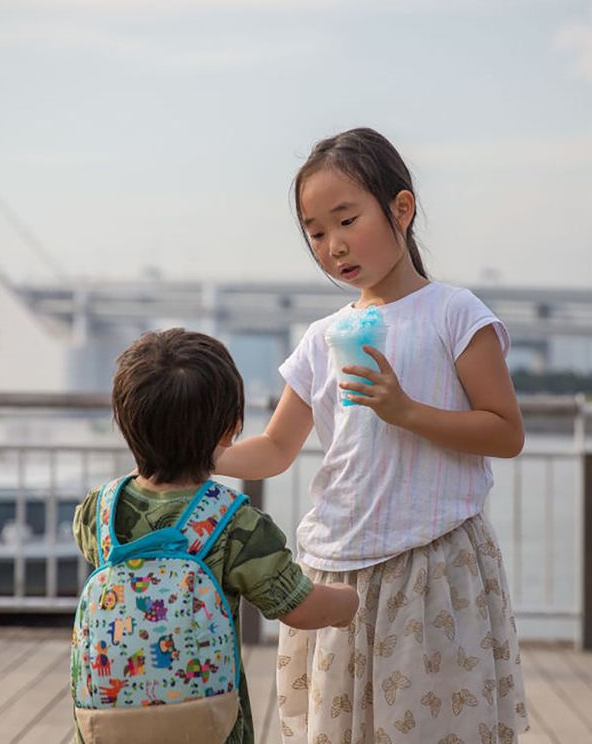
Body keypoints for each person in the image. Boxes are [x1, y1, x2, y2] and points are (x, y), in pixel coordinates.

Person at [215, 128, 529, 742]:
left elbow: (505, 431)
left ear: (401, 209)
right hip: (336, 569)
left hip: (431, 563)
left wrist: (407, 411)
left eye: (346, 219)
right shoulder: (322, 336)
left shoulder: (455, 314)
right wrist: (196, 456)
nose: (333, 246)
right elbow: (277, 449)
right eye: (315, 231)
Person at [71, 328, 359, 744]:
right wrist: (349, 600)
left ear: (125, 421)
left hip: (107, 724)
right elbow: (298, 606)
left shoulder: (97, 510)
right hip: (208, 726)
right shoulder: (233, 523)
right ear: (231, 428)